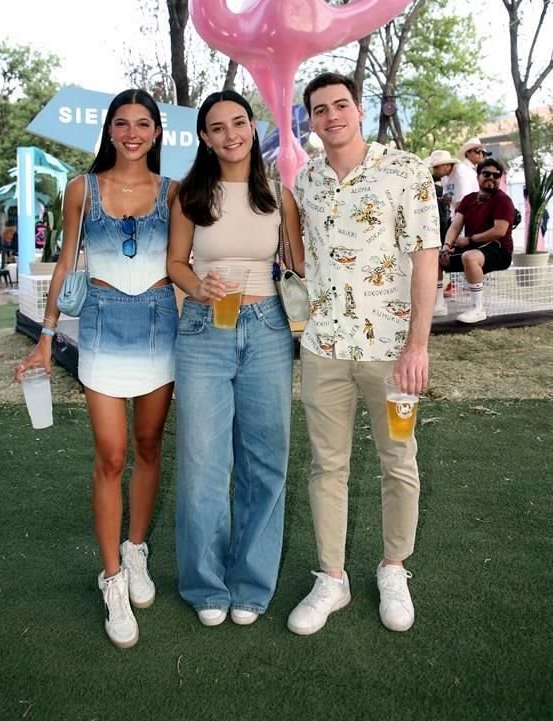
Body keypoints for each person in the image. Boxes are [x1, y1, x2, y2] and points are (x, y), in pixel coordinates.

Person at [15, 89, 179, 649]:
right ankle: (111, 577)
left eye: (143, 124)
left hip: (160, 324)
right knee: (111, 455)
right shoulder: (81, 189)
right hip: (104, 326)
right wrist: (44, 336)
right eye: (122, 123)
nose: (132, 132)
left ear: (157, 133)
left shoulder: (174, 192)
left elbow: (184, 262)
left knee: (150, 444)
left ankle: (136, 550)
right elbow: (66, 261)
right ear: (108, 130)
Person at [286, 72, 439, 637]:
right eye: (319, 110)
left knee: (398, 461)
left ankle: (393, 567)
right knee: (327, 466)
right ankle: (332, 577)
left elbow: (426, 258)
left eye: (340, 105)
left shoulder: (406, 171)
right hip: (323, 347)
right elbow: (300, 254)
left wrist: (418, 345)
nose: (331, 117)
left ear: (359, 108)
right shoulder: (307, 179)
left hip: (392, 351)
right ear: (310, 120)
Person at [167, 90, 303, 628]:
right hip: (204, 330)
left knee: (266, 461)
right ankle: (205, 584)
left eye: (239, 122)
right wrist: (197, 286)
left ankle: (251, 583)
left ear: (252, 126)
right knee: (203, 463)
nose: (231, 134)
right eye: (217, 127)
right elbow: (176, 261)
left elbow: (294, 264)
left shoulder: (278, 195)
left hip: (268, 328)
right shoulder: (189, 195)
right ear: (204, 137)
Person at [440, 158, 514, 324]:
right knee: (436, 258)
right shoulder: (469, 199)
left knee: (469, 257)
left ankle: (477, 308)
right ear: (478, 175)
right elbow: (455, 226)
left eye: (496, 175)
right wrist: (446, 247)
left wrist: (469, 240)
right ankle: (438, 304)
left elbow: (499, 231)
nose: (491, 178)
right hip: (473, 248)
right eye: (486, 173)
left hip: (499, 251)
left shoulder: (503, 200)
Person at [425, 149, 458, 317]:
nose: (434, 170)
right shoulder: (445, 181)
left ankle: (441, 298)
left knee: (440, 260)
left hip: (448, 226)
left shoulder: (460, 177)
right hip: (444, 225)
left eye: (436, 167)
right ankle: (438, 300)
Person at [443, 137, 491, 213]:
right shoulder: (462, 170)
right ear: (467, 153)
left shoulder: (475, 169)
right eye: (477, 151)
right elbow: (462, 198)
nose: (481, 154)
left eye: (482, 152)